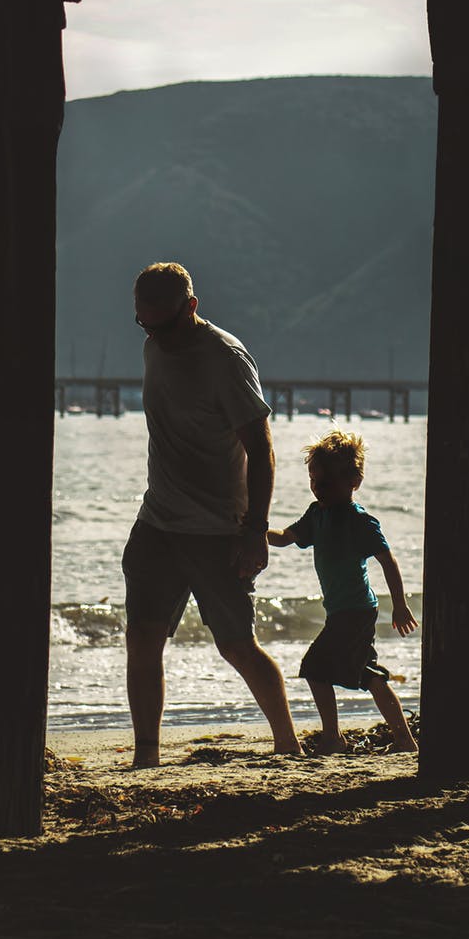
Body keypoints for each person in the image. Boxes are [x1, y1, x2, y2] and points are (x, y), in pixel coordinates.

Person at [124, 262, 302, 767]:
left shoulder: (224, 359)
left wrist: (254, 531)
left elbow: (261, 449)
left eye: (163, 324)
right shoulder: (153, 344)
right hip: (157, 522)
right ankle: (146, 757)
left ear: (192, 307)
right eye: (144, 324)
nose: (155, 334)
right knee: (142, 639)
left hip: (218, 530)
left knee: (237, 646)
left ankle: (289, 744)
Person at [267, 429, 419, 754]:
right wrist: (255, 530)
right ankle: (405, 740)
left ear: (354, 481)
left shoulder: (360, 521)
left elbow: (388, 561)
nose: (318, 488)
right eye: (313, 480)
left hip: (356, 611)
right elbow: (284, 538)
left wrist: (401, 606)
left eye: (327, 482)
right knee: (369, 675)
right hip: (342, 611)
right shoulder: (316, 514)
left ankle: (333, 738)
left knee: (314, 669)